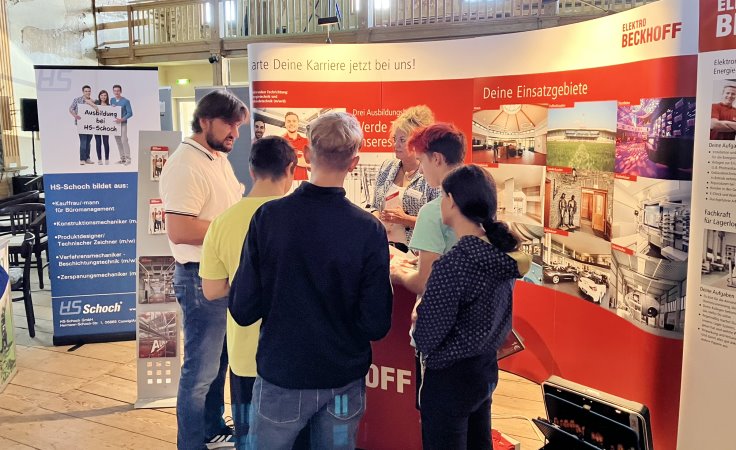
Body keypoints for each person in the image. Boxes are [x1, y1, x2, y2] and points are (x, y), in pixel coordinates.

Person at [229, 112, 393, 449]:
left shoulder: (268, 218)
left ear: (305, 154)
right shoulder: (369, 230)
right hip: (342, 377)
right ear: (354, 163)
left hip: (282, 373)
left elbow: (243, 309)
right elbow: (376, 323)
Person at [414, 165, 529, 450]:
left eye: (442, 196)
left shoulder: (455, 264)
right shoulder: (501, 256)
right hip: (485, 370)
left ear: (452, 201)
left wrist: (420, 314)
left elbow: (425, 337)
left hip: (449, 380)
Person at [159, 90, 247, 450]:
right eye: (230, 125)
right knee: (199, 372)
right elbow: (179, 229)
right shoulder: (185, 164)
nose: (235, 134)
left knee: (218, 364)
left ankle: (211, 427)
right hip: (198, 277)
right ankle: (191, 443)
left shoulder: (217, 158)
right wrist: (232, 229)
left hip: (220, 275)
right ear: (205, 120)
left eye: (238, 126)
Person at [199, 136, 296, 449]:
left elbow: (212, 290)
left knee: (249, 436)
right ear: (291, 169)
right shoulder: (297, 219)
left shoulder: (222, 223)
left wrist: (247, 286)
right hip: (293, 351)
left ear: (251, 171)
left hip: (244, 351)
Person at [372, 105, 438, 248]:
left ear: (418, 141)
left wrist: (406, 219)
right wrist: (376, 217)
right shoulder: (386, 167)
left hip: (416, 252)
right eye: (395, 139)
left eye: (402, 140)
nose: (396, 145)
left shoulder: (432, 174)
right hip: (384, 248)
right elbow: (374, 206)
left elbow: (439, 223)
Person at [68, 84, 96, 165]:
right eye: (86, 91)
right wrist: (75, 115)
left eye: (89, 91)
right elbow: (71, 108)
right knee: (83, 141)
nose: (88, 92)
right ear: (83, 92)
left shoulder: (93, 101)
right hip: (81, 124)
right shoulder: (77, 100)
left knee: (88, 142)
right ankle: (82, 159)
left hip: (91, 124)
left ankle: (87, 158)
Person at [281, 111, 309, 181]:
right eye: (289, 121)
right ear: (285, 124)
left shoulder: (306, 141)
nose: (291, 123)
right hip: (285, 182)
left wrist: (305, 164)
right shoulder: (280, 142)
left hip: (303, 182)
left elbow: (314, 165)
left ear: (298, 123)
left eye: (294, 121)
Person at [111, 84, 133, 165]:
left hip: (123, 123)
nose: (116, 92)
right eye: (115, 91)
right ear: (113, 91)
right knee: (118, 141)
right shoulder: (112, 100)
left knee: (124, 140)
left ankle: (128, 159)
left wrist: (121, 119)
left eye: (118, 91)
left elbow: (130, 113)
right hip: (115, 124)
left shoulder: (126, 101)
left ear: (121, 91)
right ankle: (122, 159)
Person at [94, 90, 111, 165]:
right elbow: (87, 101)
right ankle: (99, 159)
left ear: (107, 97)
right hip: (97, 127)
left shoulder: (109, 106)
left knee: (106, 143)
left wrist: (114, 107)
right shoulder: (95, 104)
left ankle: (107, 159)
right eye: (101, 95)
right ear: (99, 96)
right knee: (98, 143)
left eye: (105, 95)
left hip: (105, 127)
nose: (103, 97)